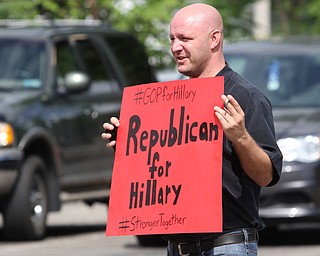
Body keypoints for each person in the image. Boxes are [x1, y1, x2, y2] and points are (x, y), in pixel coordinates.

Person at [101, 3, 282, 256]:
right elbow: (167, 169)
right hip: (177, 248)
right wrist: (132, 148)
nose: (176, 47)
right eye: (172, 39)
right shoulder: (166, 99)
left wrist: (241, 137)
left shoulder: (245, 96)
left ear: (214, 39)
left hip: (226, 245)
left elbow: (266, 176)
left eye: (185, 38)